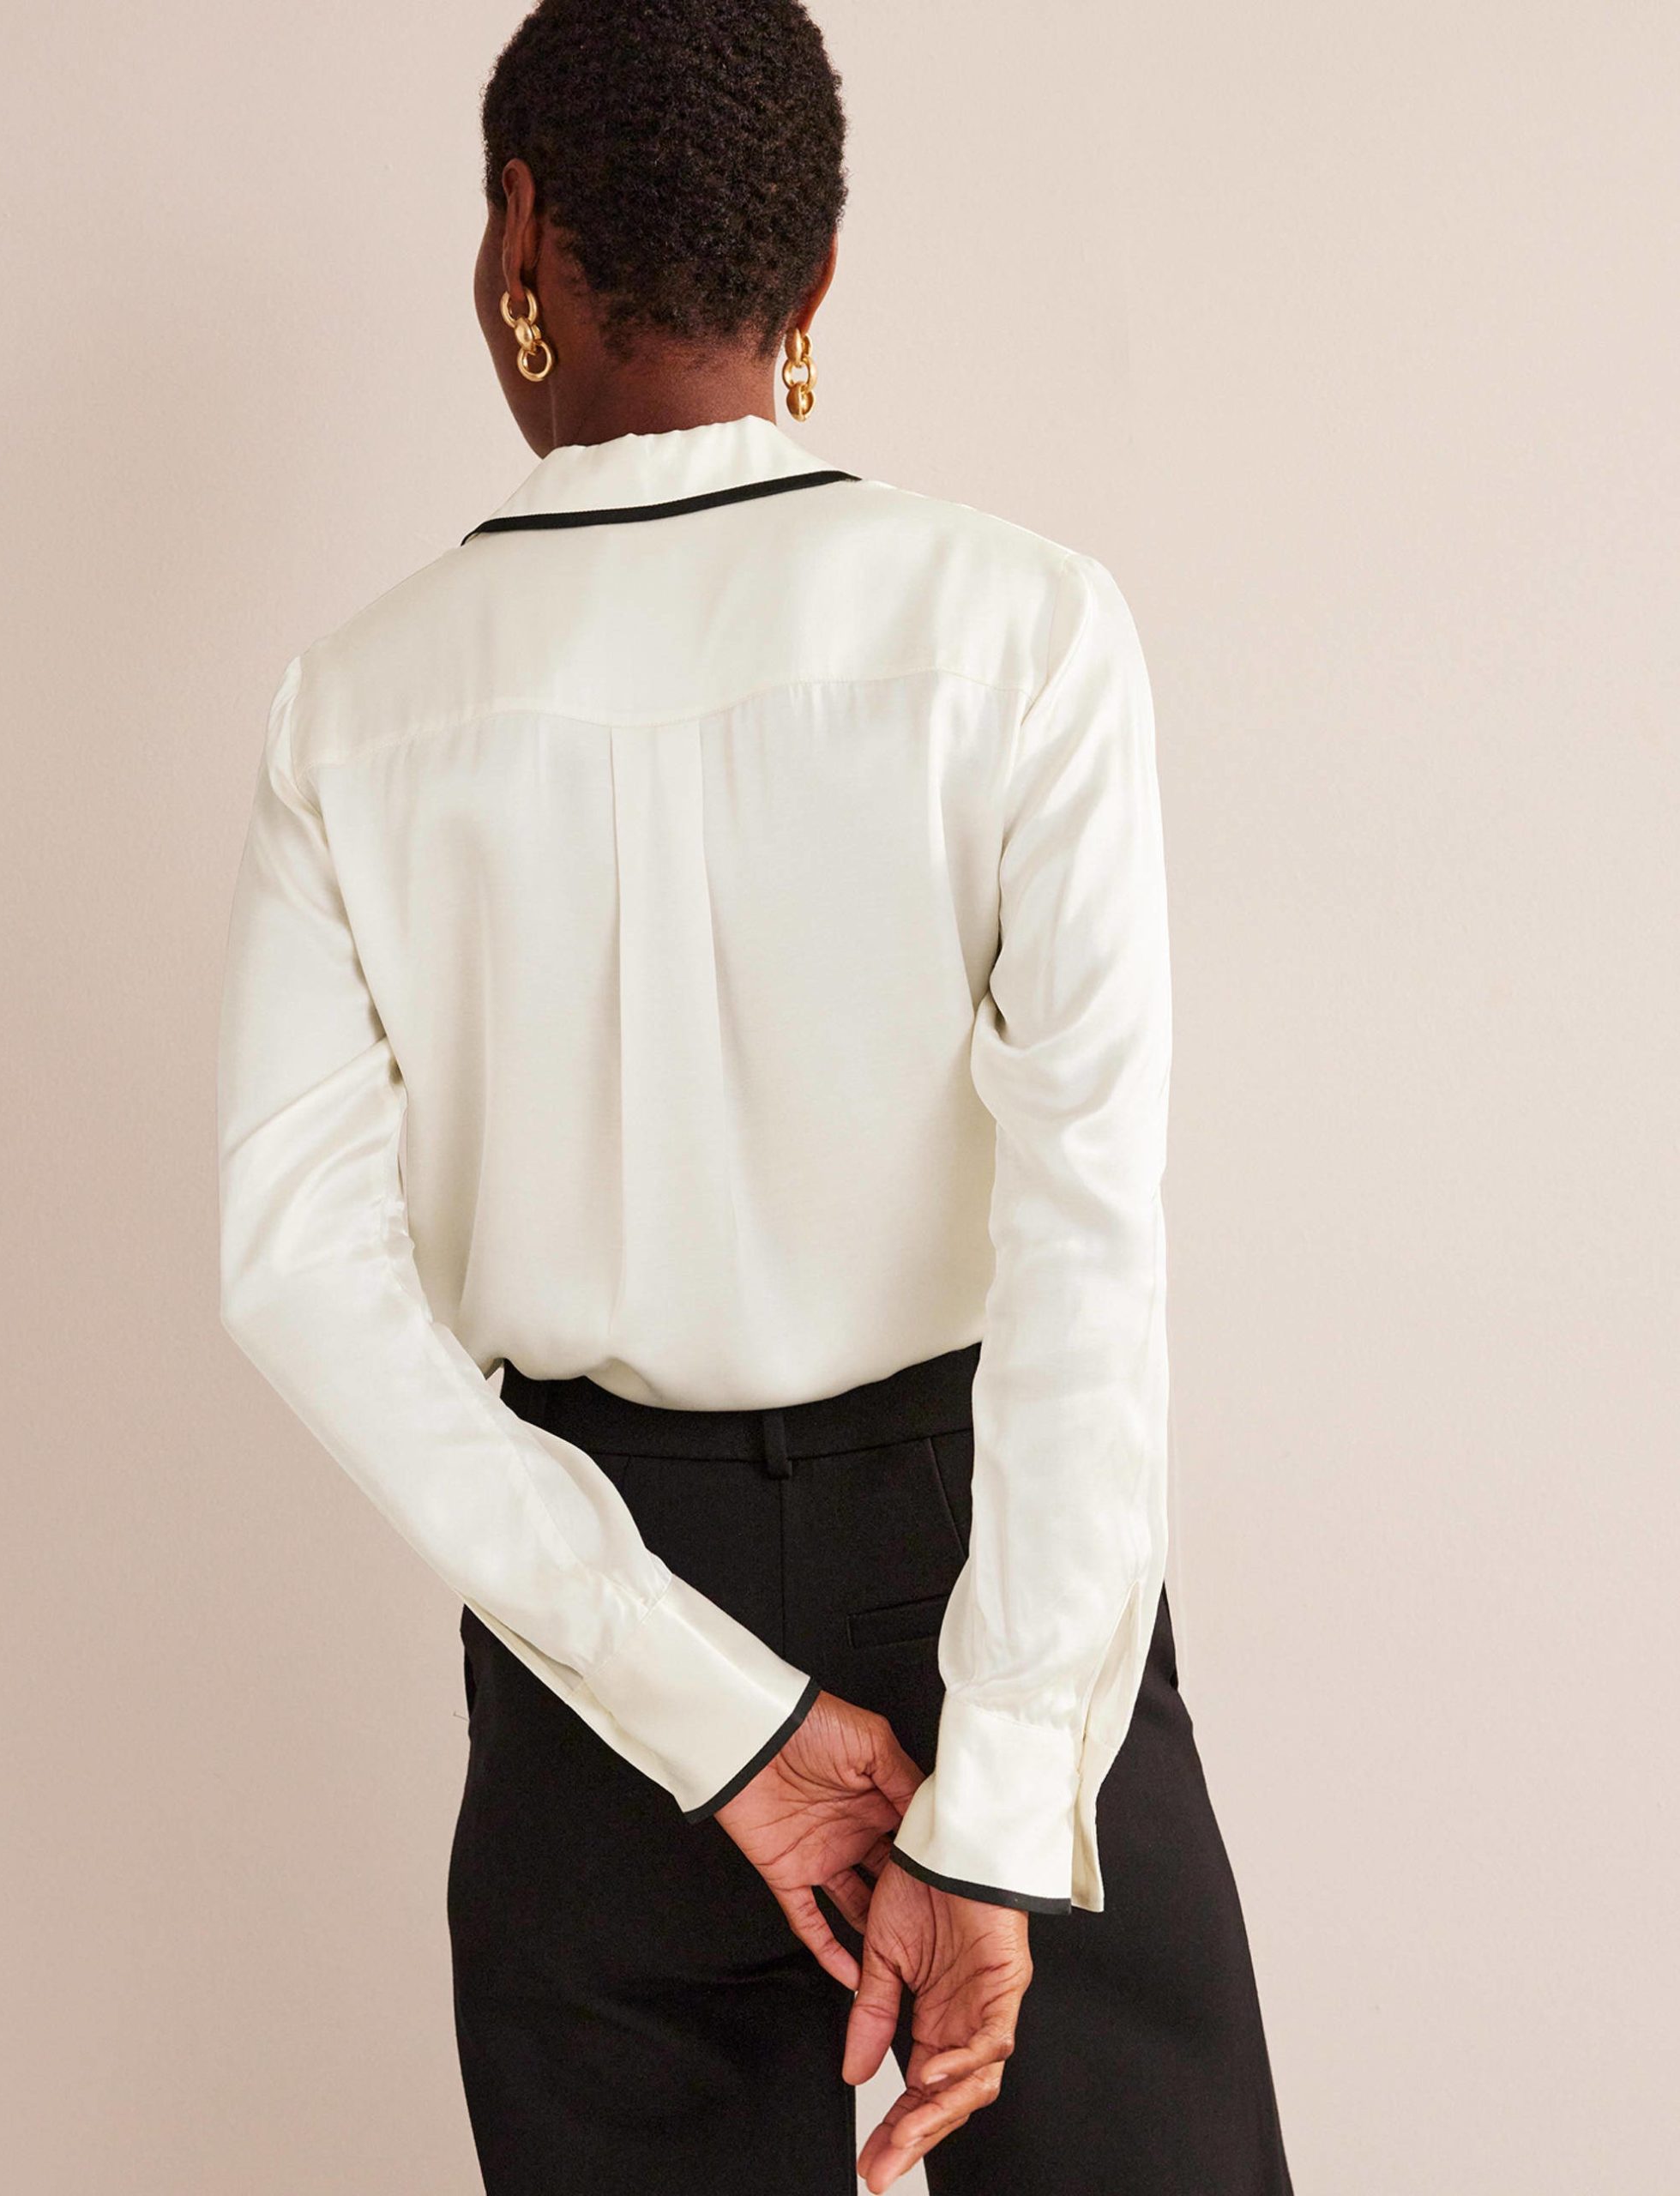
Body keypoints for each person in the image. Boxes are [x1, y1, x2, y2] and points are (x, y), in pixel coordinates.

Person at [214, 3, 1293, 2191]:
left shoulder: (357, 711)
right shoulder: (1022, 631)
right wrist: (1004, 1791)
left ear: (518, 230)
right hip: (997, 1553)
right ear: (818, 275)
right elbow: (1088, 1239)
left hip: (599, 1633)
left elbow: (293, 1268)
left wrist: (715, 1713)